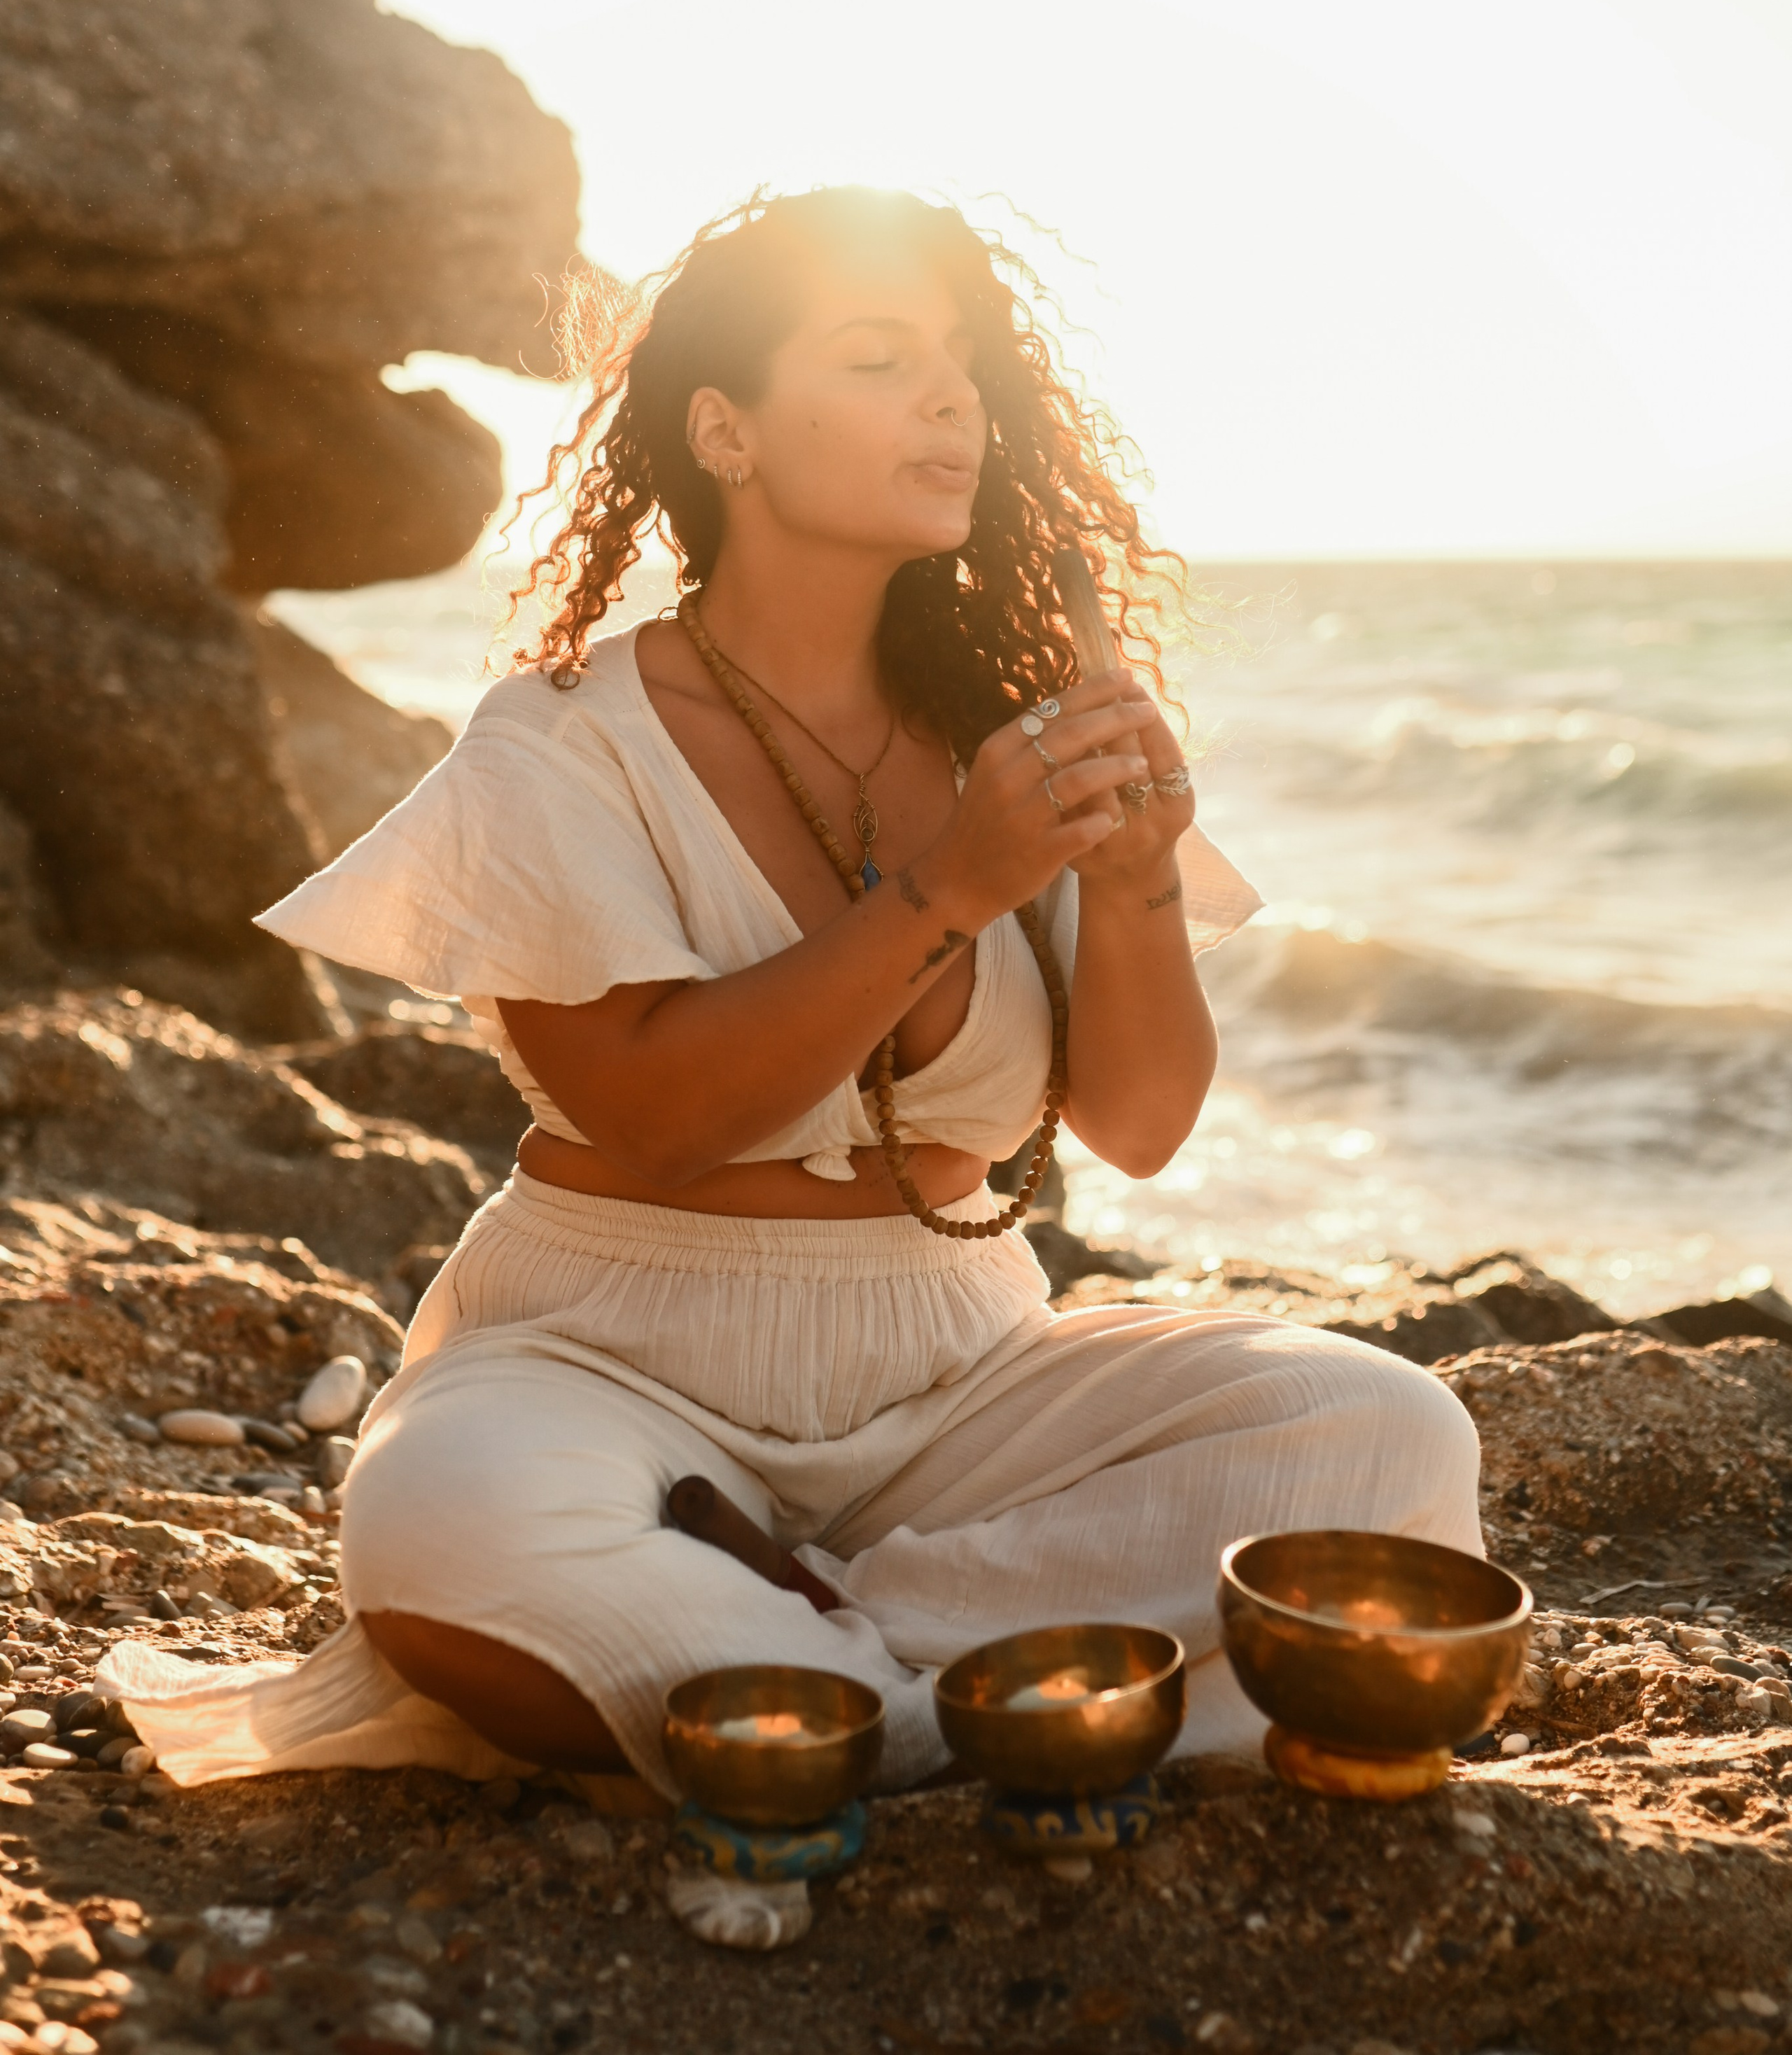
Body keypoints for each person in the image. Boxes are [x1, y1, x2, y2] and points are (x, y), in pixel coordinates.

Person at [106, 186, 1478, 1792]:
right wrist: (955, 884)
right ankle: (976, 1704)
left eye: (962, 366)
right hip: (601, 1356)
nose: (950, 399)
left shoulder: (1004, 736)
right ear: (725, 430)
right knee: (442, 1524)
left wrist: (1134, 877)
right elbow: (659, 1116)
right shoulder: (561, 738)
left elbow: (1139, 1124)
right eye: (879, 358)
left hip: (961, 1374)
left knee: (1386, 1435)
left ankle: (821, 1650)